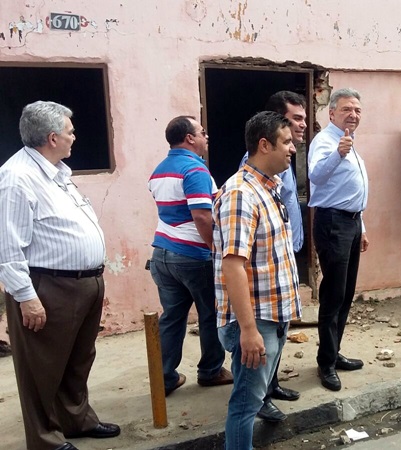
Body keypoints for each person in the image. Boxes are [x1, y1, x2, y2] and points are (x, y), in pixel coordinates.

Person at [0, 101, 120, 450]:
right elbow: (8, 246)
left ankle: (76, 419)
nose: (74, 136)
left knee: (78, 360)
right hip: (48, 285)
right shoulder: (17, 178)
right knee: (41, 369)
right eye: (69, 131)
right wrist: (27, 298)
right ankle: (44, 440)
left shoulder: (56, 172)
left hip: (83, 282)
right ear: (52, 138)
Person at [214, 111, 302, 450]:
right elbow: (233, 267)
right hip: (255, 321)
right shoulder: (241, 194)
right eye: (287, 142)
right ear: (264, 145)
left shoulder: (269, 188)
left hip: (271, 315)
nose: (293, 148)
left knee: (253, 398)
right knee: (245, 406)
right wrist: (249, 331)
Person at [147, 116, 234, 397]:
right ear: (189, 138)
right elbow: (200, 214)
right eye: (202, 132)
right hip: (192, 256)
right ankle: (210, 371)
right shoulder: (194, 169)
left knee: (172, 317)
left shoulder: (159, 170)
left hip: (162, 253)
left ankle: (164, 377)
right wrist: (214, 248)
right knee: (211, 315)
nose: (206, 137)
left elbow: (172, 212)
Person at [237, 91, 307, 422]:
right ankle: (260, 396)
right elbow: (235, 260)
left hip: (284, 249)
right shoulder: (248, 181)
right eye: (295, 119)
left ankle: (270, 386)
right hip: (263, 272)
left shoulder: (281, 164)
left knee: (278, 334)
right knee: (262, 343)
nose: (300, 128)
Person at [307, 88, 370, 391]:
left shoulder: (348, 141)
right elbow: (316, 178)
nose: (353, 115)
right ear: (331, 113)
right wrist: (338, 153)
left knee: (345, 293)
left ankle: (334, 352)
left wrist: (363, 226)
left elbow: (349, 190)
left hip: (351, 223)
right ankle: (325, 364)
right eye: (347, 109)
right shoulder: (326, 142)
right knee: (333, 295)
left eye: (357, 110)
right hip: (332, 223)